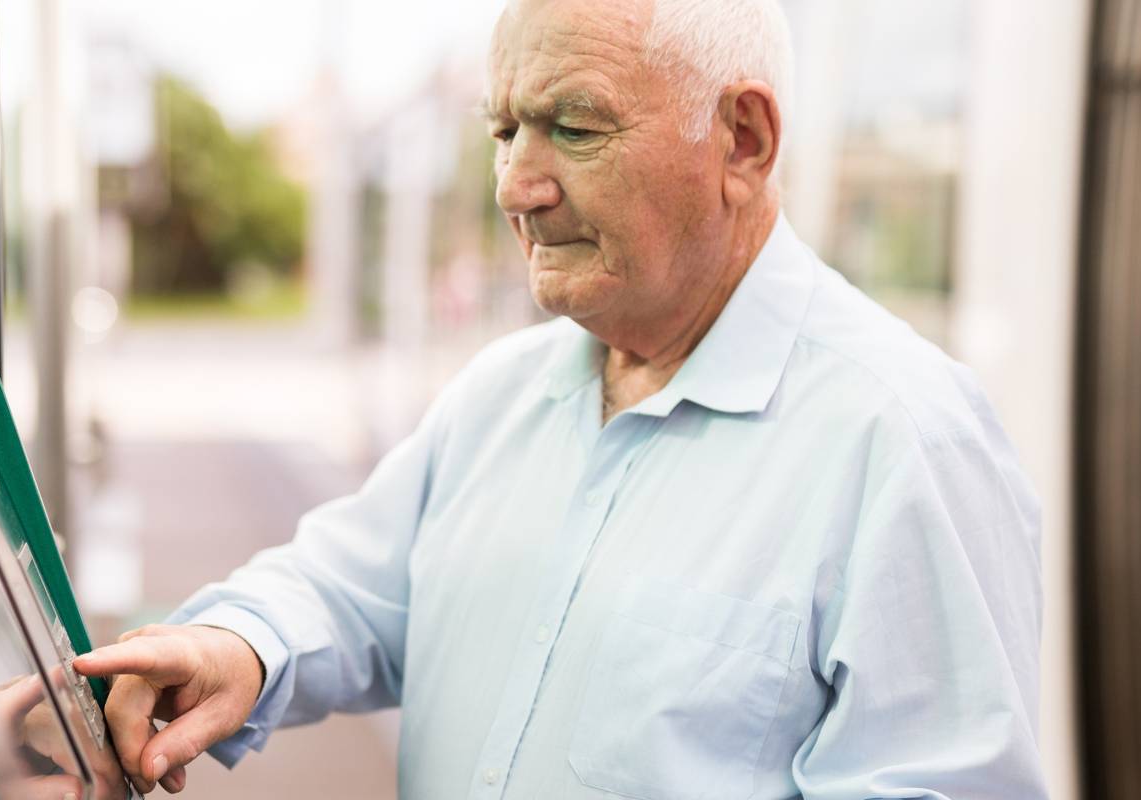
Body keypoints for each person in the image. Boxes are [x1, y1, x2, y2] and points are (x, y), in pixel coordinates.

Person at [73, 0, 1049, 796]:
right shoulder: (506, 392)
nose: (515, 185)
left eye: (573, 128)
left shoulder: (903, 436)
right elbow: (351, 586)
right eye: (504, 131)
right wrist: (236, 642)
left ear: (743, 140)